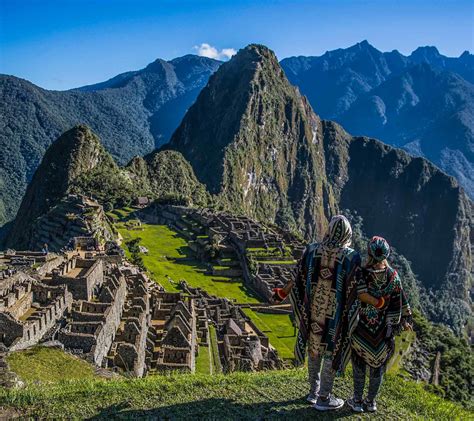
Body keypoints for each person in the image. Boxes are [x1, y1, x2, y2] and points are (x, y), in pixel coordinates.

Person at [273, 215, 384, 411]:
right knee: (331, 353)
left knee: (314, 348)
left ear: (329, 230)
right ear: (348, 233)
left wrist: (283, 293)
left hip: (313, 312)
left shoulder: (312, 249)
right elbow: (358, 290)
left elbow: (296, 275)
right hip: (336, 316)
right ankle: (324, 398)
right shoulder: (351, 257)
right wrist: (377, 301)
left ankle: (313, 392)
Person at [347, 236, 412, 413]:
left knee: (359, 365)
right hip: (385, 331)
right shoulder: (393, 276)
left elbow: (358, 295)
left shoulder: (362, 273)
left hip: (362, 329)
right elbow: (401, 300)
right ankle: (371, 402)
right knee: (378, 368)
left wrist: (375, 303)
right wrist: (405, 320)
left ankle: (357, 401)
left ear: (369, 253)